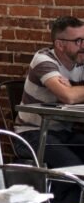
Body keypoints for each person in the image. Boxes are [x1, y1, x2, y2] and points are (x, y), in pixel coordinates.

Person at [15, 16, 84, 166]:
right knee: (74, 169)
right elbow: (69, 96)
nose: (83, 45)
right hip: (32, 134)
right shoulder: (44, 60)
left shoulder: (80, 60)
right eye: (78, 41)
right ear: (60, 44)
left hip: (64, 134)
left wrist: (73, 88)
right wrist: (71, 91)